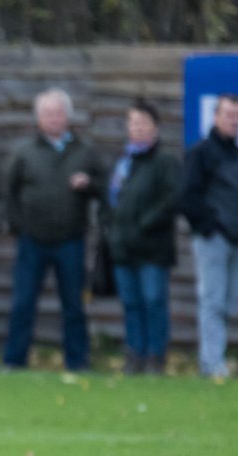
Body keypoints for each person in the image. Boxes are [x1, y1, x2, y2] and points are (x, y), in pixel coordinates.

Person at [3, 87, 106, 372]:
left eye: (58, 113)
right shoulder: (25, 153)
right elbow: (9, 192)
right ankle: (14, 360)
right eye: (47, 113)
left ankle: (77, 361)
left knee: (74, 305)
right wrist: (17, 226)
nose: (53, 118)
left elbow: (105, 188)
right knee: (23, 303)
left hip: (71, 240)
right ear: (38, 118)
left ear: (68, 117)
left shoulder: (84, 152)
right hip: (32, 241)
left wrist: (90, 184)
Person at [180, 93, 238, 379]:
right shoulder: (201, 153)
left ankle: (216, 357)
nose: (234, 121)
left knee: (229, 301)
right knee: (212, 300)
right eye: (228, 115)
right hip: (214, 239)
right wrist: (210, 227)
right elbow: (187, 197)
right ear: (215, 117)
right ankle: (212, 363)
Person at [104, 99, 180, 375]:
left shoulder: (164, 162)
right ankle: (134, 355)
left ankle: (155, 357)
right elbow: (111, 202)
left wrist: (145, 223)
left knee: (153, 303)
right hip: (123, 247)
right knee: (131, 305)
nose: (137, 128)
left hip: (152, 249)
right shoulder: (123, 163)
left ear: (155, 129)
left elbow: (172, 198)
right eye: (133, 123)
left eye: (143, 123)